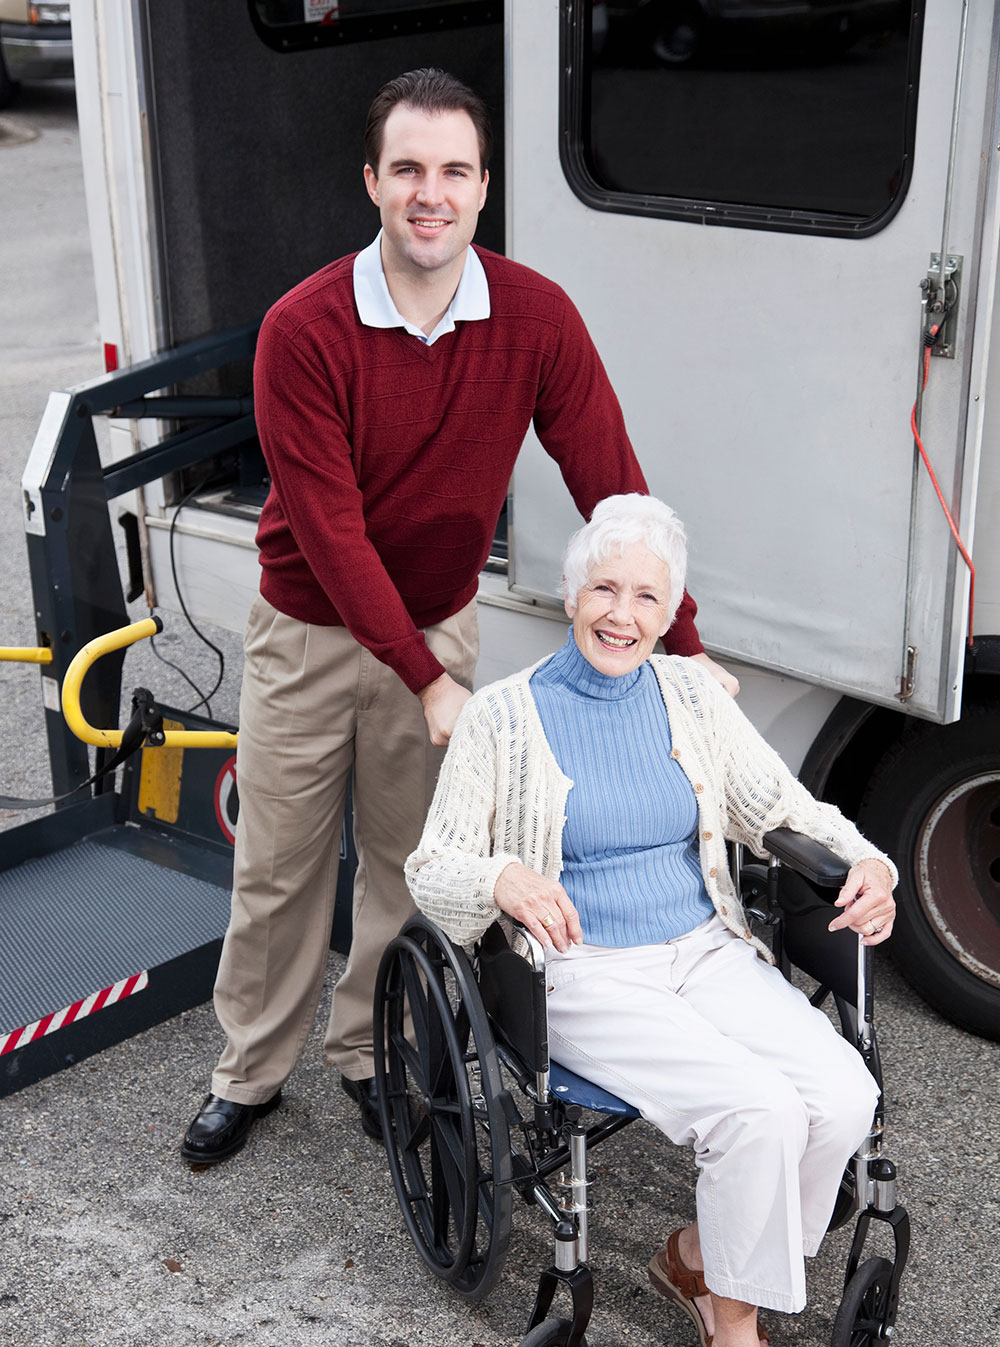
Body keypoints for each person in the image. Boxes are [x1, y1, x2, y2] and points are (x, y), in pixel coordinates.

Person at [181, 70, 737, 1164]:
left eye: (451, 172)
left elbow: (612, 486)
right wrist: (424, 678)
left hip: (435, 630)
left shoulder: (533, 317)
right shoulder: (304, 329)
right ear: (372, 183)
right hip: (308, 633)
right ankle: (246, 1071)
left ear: (482, 188)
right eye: (406, 171)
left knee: (408, 863)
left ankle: (365, 1053)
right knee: (282, 863)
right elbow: (333, 535)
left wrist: (687, 648)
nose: (427, 194)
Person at [405, 494, 897, 1347]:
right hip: (585, 965)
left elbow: (777, 802)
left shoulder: (690, 696)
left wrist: (871, 863)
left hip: (704, 948)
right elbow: (432, 869)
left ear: (670, 614)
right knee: (758, 1111)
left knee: (845, 1094)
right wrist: (504, 877)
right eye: (605, 589)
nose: (622, 615)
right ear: (569, 594)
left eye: (646, 597)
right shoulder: (502, 717)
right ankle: (733, 1320)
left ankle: (702, 1255)